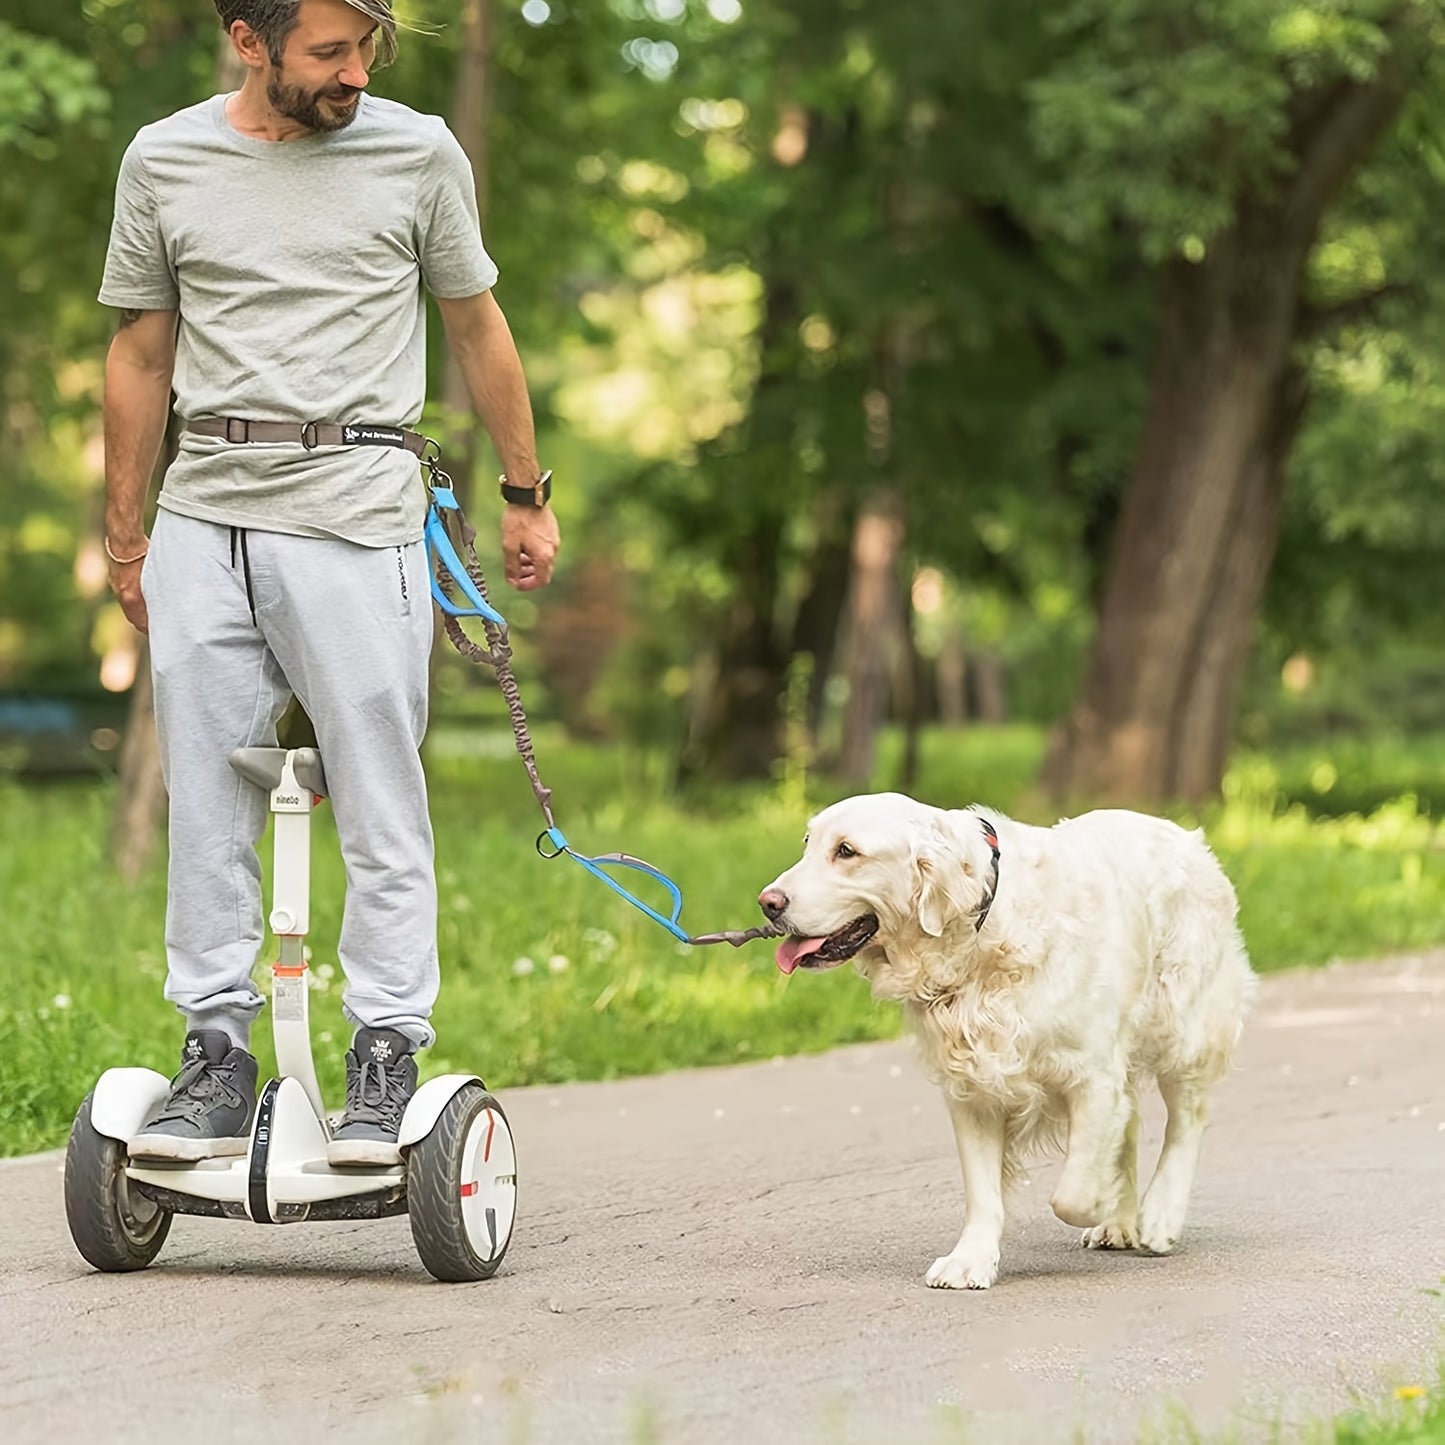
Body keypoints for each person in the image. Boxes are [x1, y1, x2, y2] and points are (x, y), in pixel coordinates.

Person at [100, 0, 560, 1166]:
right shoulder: (164, 158)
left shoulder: (417, 152)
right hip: (204, 515)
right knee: (207, 799)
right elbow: (141, 351)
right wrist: (126, 535)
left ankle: (386, 1046)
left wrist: (524, 491)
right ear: (248, 41)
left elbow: (476, 324)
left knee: (376, 791)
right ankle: (214, 1047)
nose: (354, 73)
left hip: (356, 516)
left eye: (366, 50)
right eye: (328, 52)